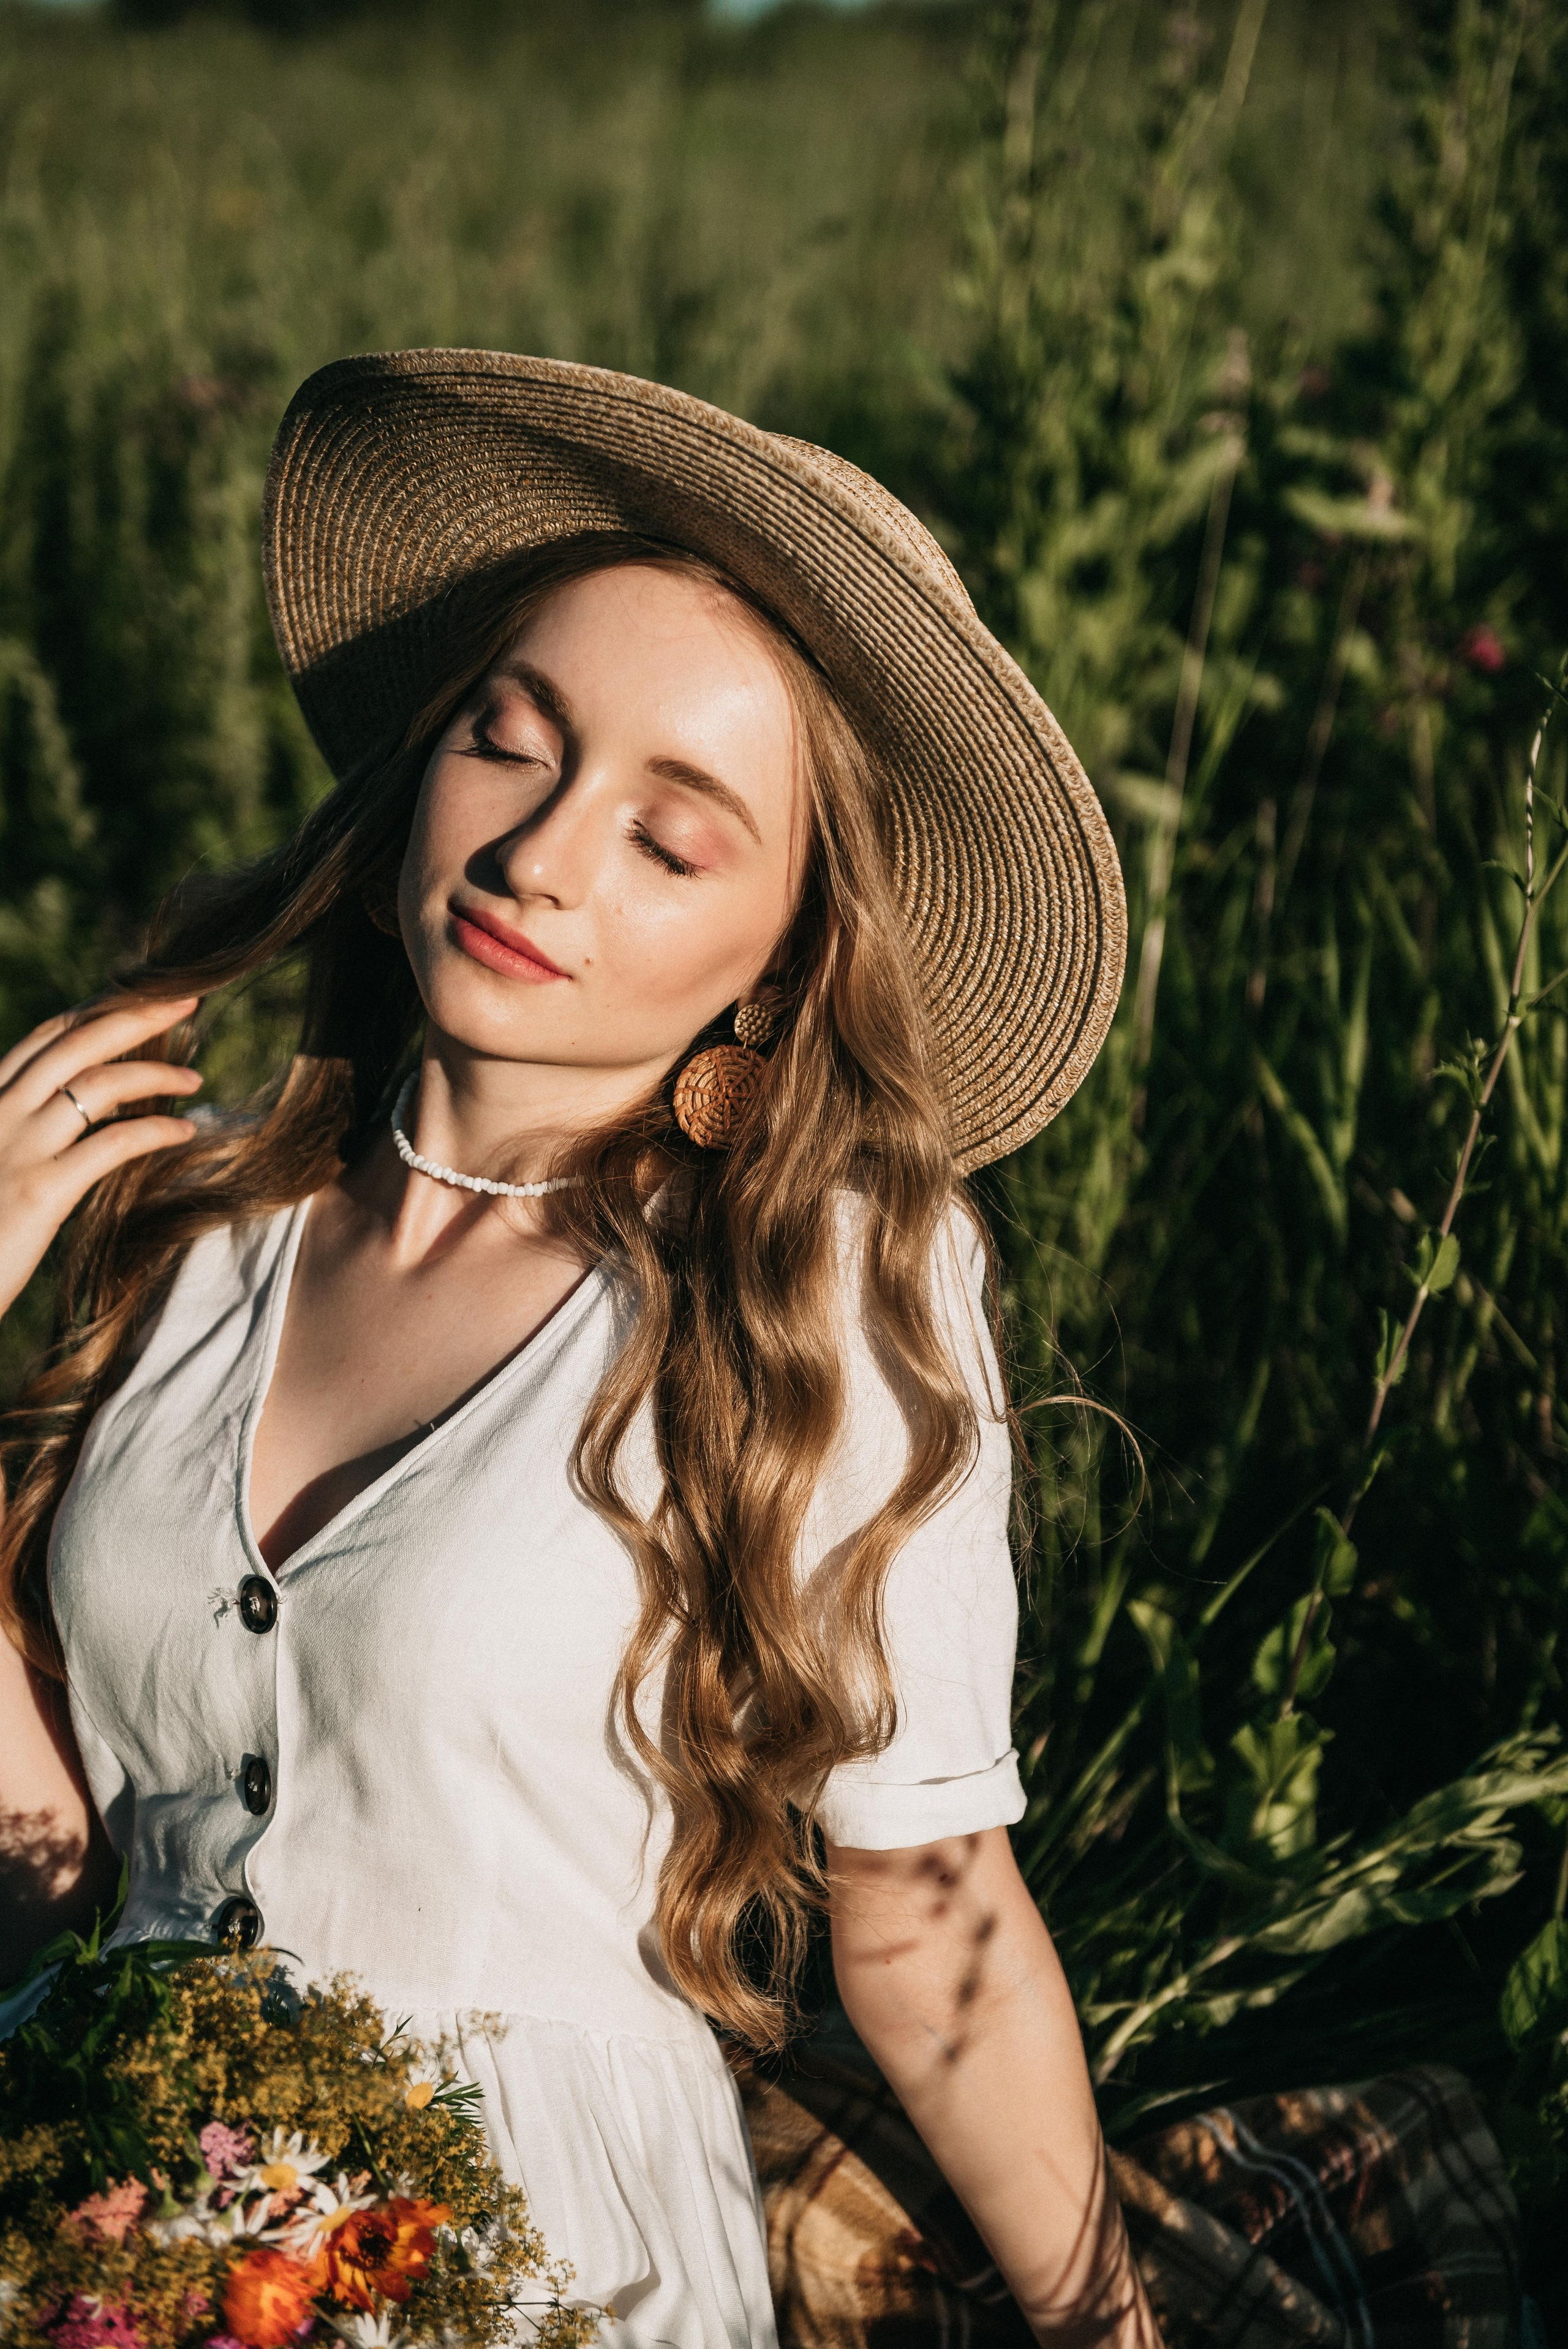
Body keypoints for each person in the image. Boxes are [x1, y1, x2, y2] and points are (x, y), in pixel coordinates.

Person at [0, 352, 1148, 2348]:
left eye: (671, 838)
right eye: (507, 740)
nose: (543, 852)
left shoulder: (817, 1278)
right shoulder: (189, 1219)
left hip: (544, 2266)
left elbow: (928, 1917)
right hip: (96, 2221)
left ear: (785, 951)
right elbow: (54, 1878)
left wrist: (1113, 2329)